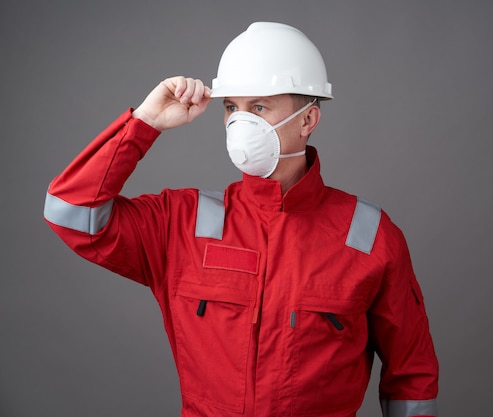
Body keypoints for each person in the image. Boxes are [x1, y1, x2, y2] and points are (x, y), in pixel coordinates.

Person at [44, 22, 439, 417]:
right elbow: (72, 210)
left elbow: (411, 374)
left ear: (308, 120)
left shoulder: (367, 235)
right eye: (231, 107)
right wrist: (145, 123)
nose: (240, 123)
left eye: (259, 107)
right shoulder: (182, 225)